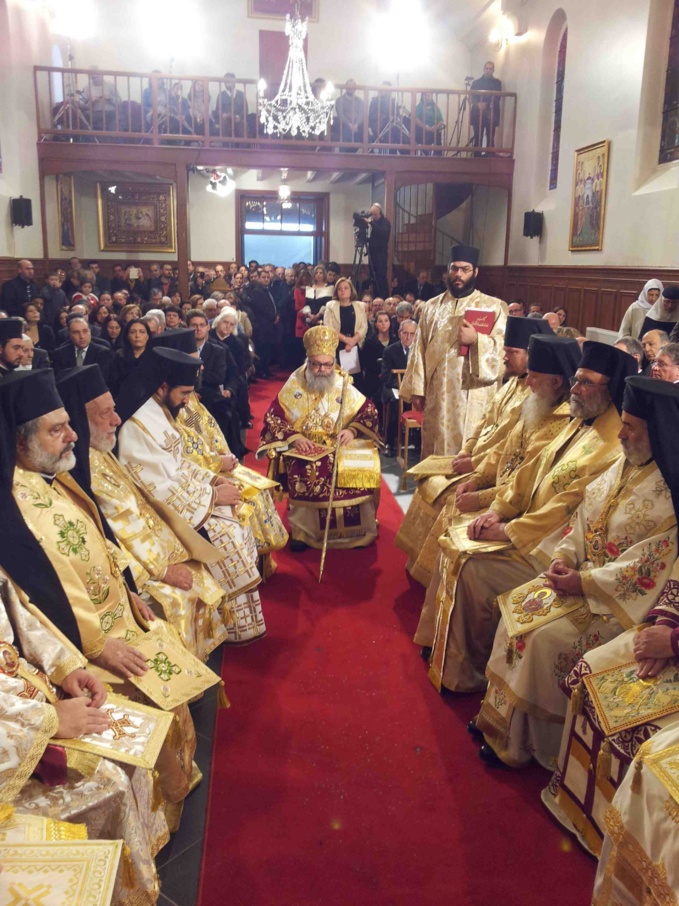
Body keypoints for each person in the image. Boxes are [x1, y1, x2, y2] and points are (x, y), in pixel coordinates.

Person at [1, 368, 197, 821]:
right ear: (18, 442)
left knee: (166, 651)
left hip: (108, 627)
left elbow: (99, 543)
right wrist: (92, 648)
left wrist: (129, 594)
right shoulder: (15, 504)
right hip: (82, 649)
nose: (73, 436)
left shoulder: (55, 475)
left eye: (69, 423)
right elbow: (43, 593)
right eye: (57, 430)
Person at [474, 374, 678, 771]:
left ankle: (530, 747)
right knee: (517, 610)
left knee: (544, 639)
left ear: (658, 433)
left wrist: (583, 581)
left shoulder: (670, 495)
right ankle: (498, 722)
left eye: (630, 427)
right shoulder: (625, 462)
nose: (619, 434)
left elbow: (644, 566)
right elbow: (583, 515)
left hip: (616, 605)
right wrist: (564, 556)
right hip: (580, 579)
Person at [423, 341, 637, 695]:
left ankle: (469, 671)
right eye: (576, 380)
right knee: (454, 545)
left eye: (585, 382)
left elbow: (568, 506)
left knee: (473, 568)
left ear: (610, 388)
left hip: (547, 546)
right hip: (525, 528)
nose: (575, 388)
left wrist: (509, 531)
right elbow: (530, 471)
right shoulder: (581, 420)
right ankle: (446, 652)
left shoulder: (612, 442)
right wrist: (497, 509)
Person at [0, 571, 169, 905]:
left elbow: (19, 612)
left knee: (127, 743)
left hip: (26, 692)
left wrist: (65, 667)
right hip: (14, 727)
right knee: (107, 782)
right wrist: (46, 721)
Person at [56, 364, 230, 661]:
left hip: (154, 554)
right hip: (131, 575)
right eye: (104, 414)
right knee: (190, 596)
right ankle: (194, 687)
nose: (117, 420)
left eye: (114, 409)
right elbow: (119, 523)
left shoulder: (99, 452)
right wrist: (163, 570)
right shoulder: (80, 468)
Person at [116, 347, 266, 643]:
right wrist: (211, 498)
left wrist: (213, 481)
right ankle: (231, 623)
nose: (187, 401)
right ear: (162, 387)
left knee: (238, 513)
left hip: (188, 503)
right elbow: (156, 488)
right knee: (226, 532)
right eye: (184, 393)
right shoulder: (137, 426)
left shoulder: (161, 411)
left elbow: (180, 463)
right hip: (162, 517)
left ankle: (236, 619)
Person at [395, 317, 554, 587]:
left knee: (447, 497)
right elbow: (485, 422)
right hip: (478, 462)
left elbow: (506, 444)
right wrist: (466, 451)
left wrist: (475, 466)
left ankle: (436, 578)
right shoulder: (512, 384)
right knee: (429, 481)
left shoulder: (536, 396)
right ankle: (420, 568)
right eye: (505, 350)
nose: (505, 357)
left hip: (492, 474)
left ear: (530, 356)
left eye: (512, 352)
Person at [258, 326, 382, 551]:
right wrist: (295, 438)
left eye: (327, 365)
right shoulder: (295, 383)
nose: (322, 370)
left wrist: (352, 430)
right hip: (305, 446)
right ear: (308, 360)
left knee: (357, 463)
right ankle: (304, 534)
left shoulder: (342, 381)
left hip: (339, 444)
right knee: (306, 466)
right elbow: (273, 417)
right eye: (316, 364)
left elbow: (369, 410)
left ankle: (356, 532)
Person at [400, 244, 508, 458]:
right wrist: (417, 390)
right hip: (437, 396)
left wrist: (477, 340)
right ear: (448, 270)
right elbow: (418, 351)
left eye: (465, 269)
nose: (459, 274)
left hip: (474, 395)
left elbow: (503, 352)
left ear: (475, 272)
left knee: (468, 455)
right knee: (436, 452)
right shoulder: (431, 307)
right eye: (454, 268)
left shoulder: (493, 307)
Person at [323, 277, 368, 390]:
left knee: (355, 381)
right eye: (339, 289)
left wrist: (352, 341)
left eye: (346, 288)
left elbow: (363, 327)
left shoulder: (360, 306)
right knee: (338, 380)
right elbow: (329, 328)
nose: (343, 291)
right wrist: (346, 340)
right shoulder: (330, 306)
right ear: (336, 292)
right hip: (337, 346)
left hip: (355, 346)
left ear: (351, 290)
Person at [381, 319, 417, 456]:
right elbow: (386, 376)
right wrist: (403, 386)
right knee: (395, 402)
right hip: (393, 387)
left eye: (412, 334)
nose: (408, 337)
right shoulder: (390, 351)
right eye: (405, 333)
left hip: (414, 388)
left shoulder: (420, 351)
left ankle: (419, 441)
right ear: (399, 333)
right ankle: (390, 443)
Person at [51, 316, 113, 382]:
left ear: (90, 332)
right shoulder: (60, 354)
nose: (82, 336)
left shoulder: (103, 353)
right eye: (76, 332)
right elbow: (58, 380)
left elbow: (101, 380)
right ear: (70, 334)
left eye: (85, 331)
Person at [470, 61, 502, 152]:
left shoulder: (497, 83)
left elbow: (497, 97)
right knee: (477, 137)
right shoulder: (476, 83)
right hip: (477, 113)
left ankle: (489, 161)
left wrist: (486, 105)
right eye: (487, 68)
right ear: (484, 69)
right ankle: (477, 160)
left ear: (493, 70)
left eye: (490, 69)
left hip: (491, 113)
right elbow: (472, 96)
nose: (488, 70)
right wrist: (478, 104)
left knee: (490, 138)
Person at [366, 203, 391, 299]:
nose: (373, 217)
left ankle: (383, 298)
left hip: (380, 256)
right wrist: (364, 239)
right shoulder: (375, 222)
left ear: (379, 212)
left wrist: (371, 223)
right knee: (373, 278)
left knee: (380, 278)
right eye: (372, 215)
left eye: (375, 214)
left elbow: (383, 233)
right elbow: (374, 240)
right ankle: (376, 297)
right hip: (373, 254)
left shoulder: (385, 222)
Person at [213, 72, 247, 139]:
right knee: (224, 124)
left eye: (230, 81)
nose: (228, 83)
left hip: (238, 119)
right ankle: (226, 148)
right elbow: (217, 110)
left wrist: (239, 117)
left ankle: (242, 148)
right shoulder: (221, 95)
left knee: (244, 125)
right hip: (226, 120)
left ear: (234, 82)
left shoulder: (241, 94)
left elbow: (245, 109)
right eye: (226, 81)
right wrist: (223, 115)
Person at [335, 79, 364, 148]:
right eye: (349, 86)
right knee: (345, 134)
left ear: (355, 88)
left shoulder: (360, 101)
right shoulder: (339, 100)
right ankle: (344, 157)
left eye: (353, 86)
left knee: (368, 137)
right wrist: (349, 125)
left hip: (358, 126)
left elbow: (362, 114)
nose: (351, 88)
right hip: (344, 125)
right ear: (345, 88)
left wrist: (356, 124)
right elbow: (340, 115)